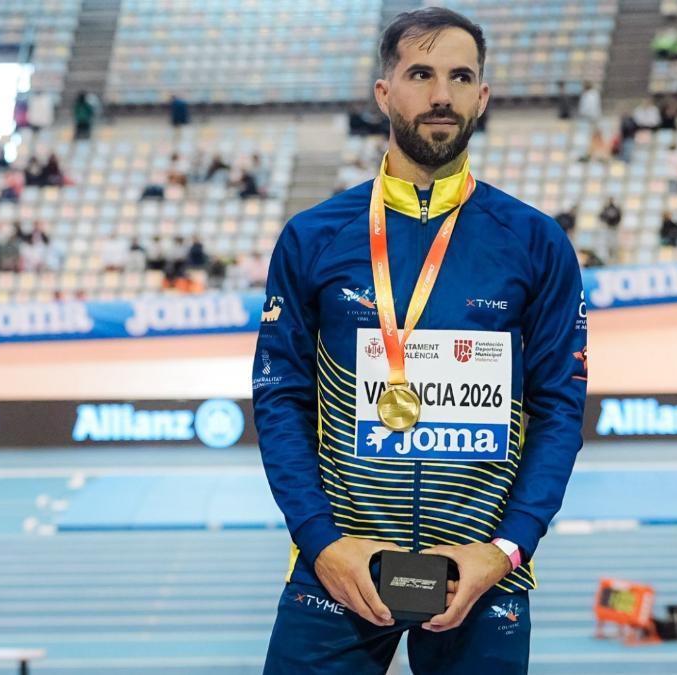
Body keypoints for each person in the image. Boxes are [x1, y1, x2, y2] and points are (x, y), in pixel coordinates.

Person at [253, 8, 586, 674]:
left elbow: (559, 408)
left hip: (480, 572)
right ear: (385, 93)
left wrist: (506, 548)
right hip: (341, 567)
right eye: (421, 74)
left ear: (482, 97)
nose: (442, 94)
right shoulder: (314, 236)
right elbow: (280, 398)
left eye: (462, 77)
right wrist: (321, 541)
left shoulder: (535, 242)